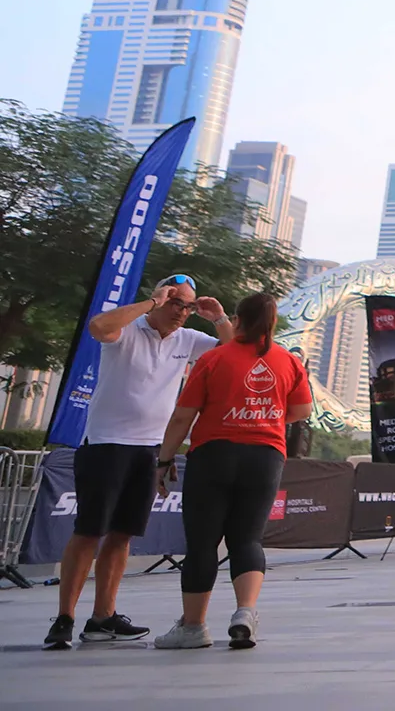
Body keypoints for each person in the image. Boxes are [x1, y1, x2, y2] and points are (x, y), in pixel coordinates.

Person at [44, 276, 229, 651]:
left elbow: (232, 351)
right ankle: (64, 617)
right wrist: (150, 303)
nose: (182, 312)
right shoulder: (128, 329)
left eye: (188, 306)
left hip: (148, 450)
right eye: (176, 302)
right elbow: (98, 327)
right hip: (106, 444)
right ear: (160, 299)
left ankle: (102, 618)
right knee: (89, 531)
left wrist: (218, 319)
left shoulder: (188, 340)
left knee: (123, 534)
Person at [152, 292, 312, 650]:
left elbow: (183, 416)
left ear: (238, 318)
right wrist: (266, 419)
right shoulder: (288, 362)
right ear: (271, 323)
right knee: (248, 540)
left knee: (203, 543)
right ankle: (245, 612)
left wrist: (163, 461)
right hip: (265, 456)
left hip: (214, 455)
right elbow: (302, 409)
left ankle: (193, 627)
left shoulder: (213, 359)